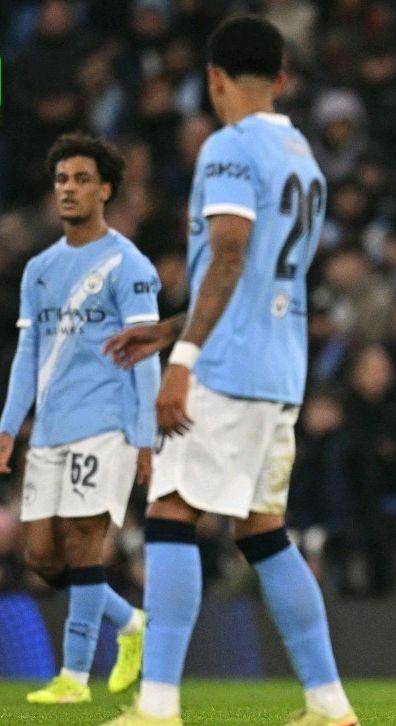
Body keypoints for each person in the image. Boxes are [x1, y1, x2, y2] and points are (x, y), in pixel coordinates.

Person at [100, 17, 356, 726]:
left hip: (227, 366)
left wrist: (182, 359)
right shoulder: (303, 158)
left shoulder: (228, 147)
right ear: (281, 77)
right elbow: (257, 274)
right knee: (263, 531)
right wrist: (171, 327)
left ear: (214, 79)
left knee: (171, 512)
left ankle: (157, 706)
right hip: (280, 370)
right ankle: (329, 704)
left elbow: (232, 254)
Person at [0, 133, 155, 705]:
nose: (68, 189)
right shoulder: (39, 269)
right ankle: (131, 622)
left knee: (86, 540)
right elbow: (28, 355)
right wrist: (8, 427)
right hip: (50, 429)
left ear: (105, 190)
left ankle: (73, 677)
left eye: (82, 179)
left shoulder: (128, 264)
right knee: (42, 555)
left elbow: (145, 352)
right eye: (62, 179)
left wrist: (145, 437)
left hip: (106, 422)